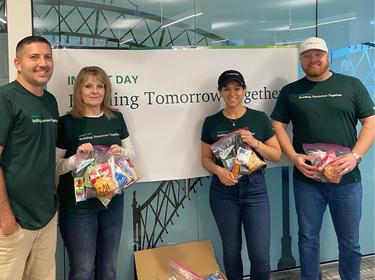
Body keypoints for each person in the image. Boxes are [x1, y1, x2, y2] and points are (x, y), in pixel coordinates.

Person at [271, 37, 375, 280]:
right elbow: (277, 124)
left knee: (350, 242)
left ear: (328, 56)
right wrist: (293, 156)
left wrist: (355, 156)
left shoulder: (351, 85)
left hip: (346, 179)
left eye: (318, 54)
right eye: (307, 55)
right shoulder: (291, 91)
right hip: (307, 180)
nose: (313, 59)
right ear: (301, 60)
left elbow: (370, 122)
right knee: (307, 238)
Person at [55, 66, 135, 280]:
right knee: (83, 270)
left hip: (112, 204)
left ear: (106, 90)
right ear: (79, 89)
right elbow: (55, 166)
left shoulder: (116, 118)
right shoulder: (67, 122)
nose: (94, 91)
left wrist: (121, 152)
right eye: (88, 85)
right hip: (78, 208)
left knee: (108, 268)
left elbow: (131, 153)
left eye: (100, 86)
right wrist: (76, 159)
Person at [201, 70, 281, 280]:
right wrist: (219, 171)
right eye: (226, 89)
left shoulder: (259, 118)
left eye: (237, 88)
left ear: (244, 90)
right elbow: (205, 159)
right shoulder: (211, 122)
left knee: (260, 255)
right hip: (223, 192)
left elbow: (276, 154)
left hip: (255, 190)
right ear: (220, 92)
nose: (232, 93)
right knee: (231, 249)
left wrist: (255, 143)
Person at [0, 36, 59, 280]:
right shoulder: (6, 98)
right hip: (14, 221)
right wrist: (5, 216)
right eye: (33, 57)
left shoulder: (50, 100)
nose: (42, 63)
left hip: (46, 216)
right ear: (18, 63)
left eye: (47, 57)